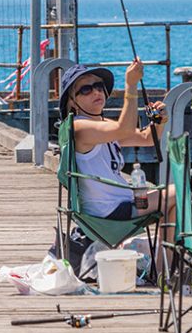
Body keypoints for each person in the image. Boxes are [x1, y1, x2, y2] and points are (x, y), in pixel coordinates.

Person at [58, 60, 174, 256]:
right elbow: (124, 129)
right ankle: (167, 269)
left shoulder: (102, 126)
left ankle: (167, 270)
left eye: (98, 86)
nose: (95, 92)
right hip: (108, 213)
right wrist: (131, 85)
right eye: (85, 89)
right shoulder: (79, 128)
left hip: (125, 203)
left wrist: (158, 120)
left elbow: (147, 138)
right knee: (177, 194)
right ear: (72, 102)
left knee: (177, 199)